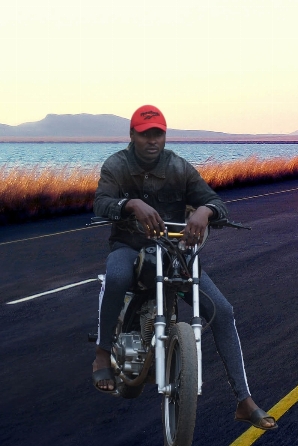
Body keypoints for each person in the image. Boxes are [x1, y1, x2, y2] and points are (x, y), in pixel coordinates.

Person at [91, 104, 276, 431]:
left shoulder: (178, 166)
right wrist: (131, 204)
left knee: (222, 309)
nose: (152, 140)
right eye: (145, 134)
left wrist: (205, 211)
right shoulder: (117, 165)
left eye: (158, 133)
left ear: (164, 134)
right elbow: (101, 203)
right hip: (129, 246)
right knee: (118, 276)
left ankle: (244, 401)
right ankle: (103, 355)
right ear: (132, 135)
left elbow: (216, 201)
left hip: (174, 252)